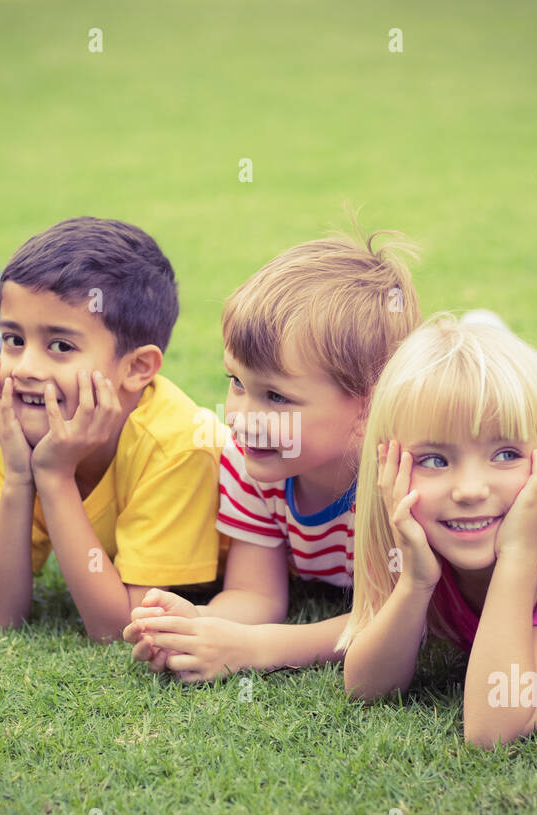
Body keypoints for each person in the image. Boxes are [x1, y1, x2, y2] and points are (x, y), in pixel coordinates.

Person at [123, 230, 421, 680]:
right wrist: (195, 625)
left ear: (369, 405)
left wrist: (259, 646)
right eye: (237, 383)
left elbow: (400, 620)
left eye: (276, 397)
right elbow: (255, 593)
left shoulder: (404, 483)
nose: (241, 417)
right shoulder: (250, 463)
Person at [337, 317, 537, 747]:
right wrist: (416, 581)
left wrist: (520, 552)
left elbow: (492, 729)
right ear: (388, 468)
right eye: (434, 460)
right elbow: (367, 691)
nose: (470, 490)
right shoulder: (409, 525)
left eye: (505, 453)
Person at [0, 217, 226, 642]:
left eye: (60, 346)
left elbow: (119, 628)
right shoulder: (20, 436)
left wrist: (53, 476)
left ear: (137, 368)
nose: (26, 368)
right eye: (13, 339)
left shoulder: (178, 446)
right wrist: (19, 477)